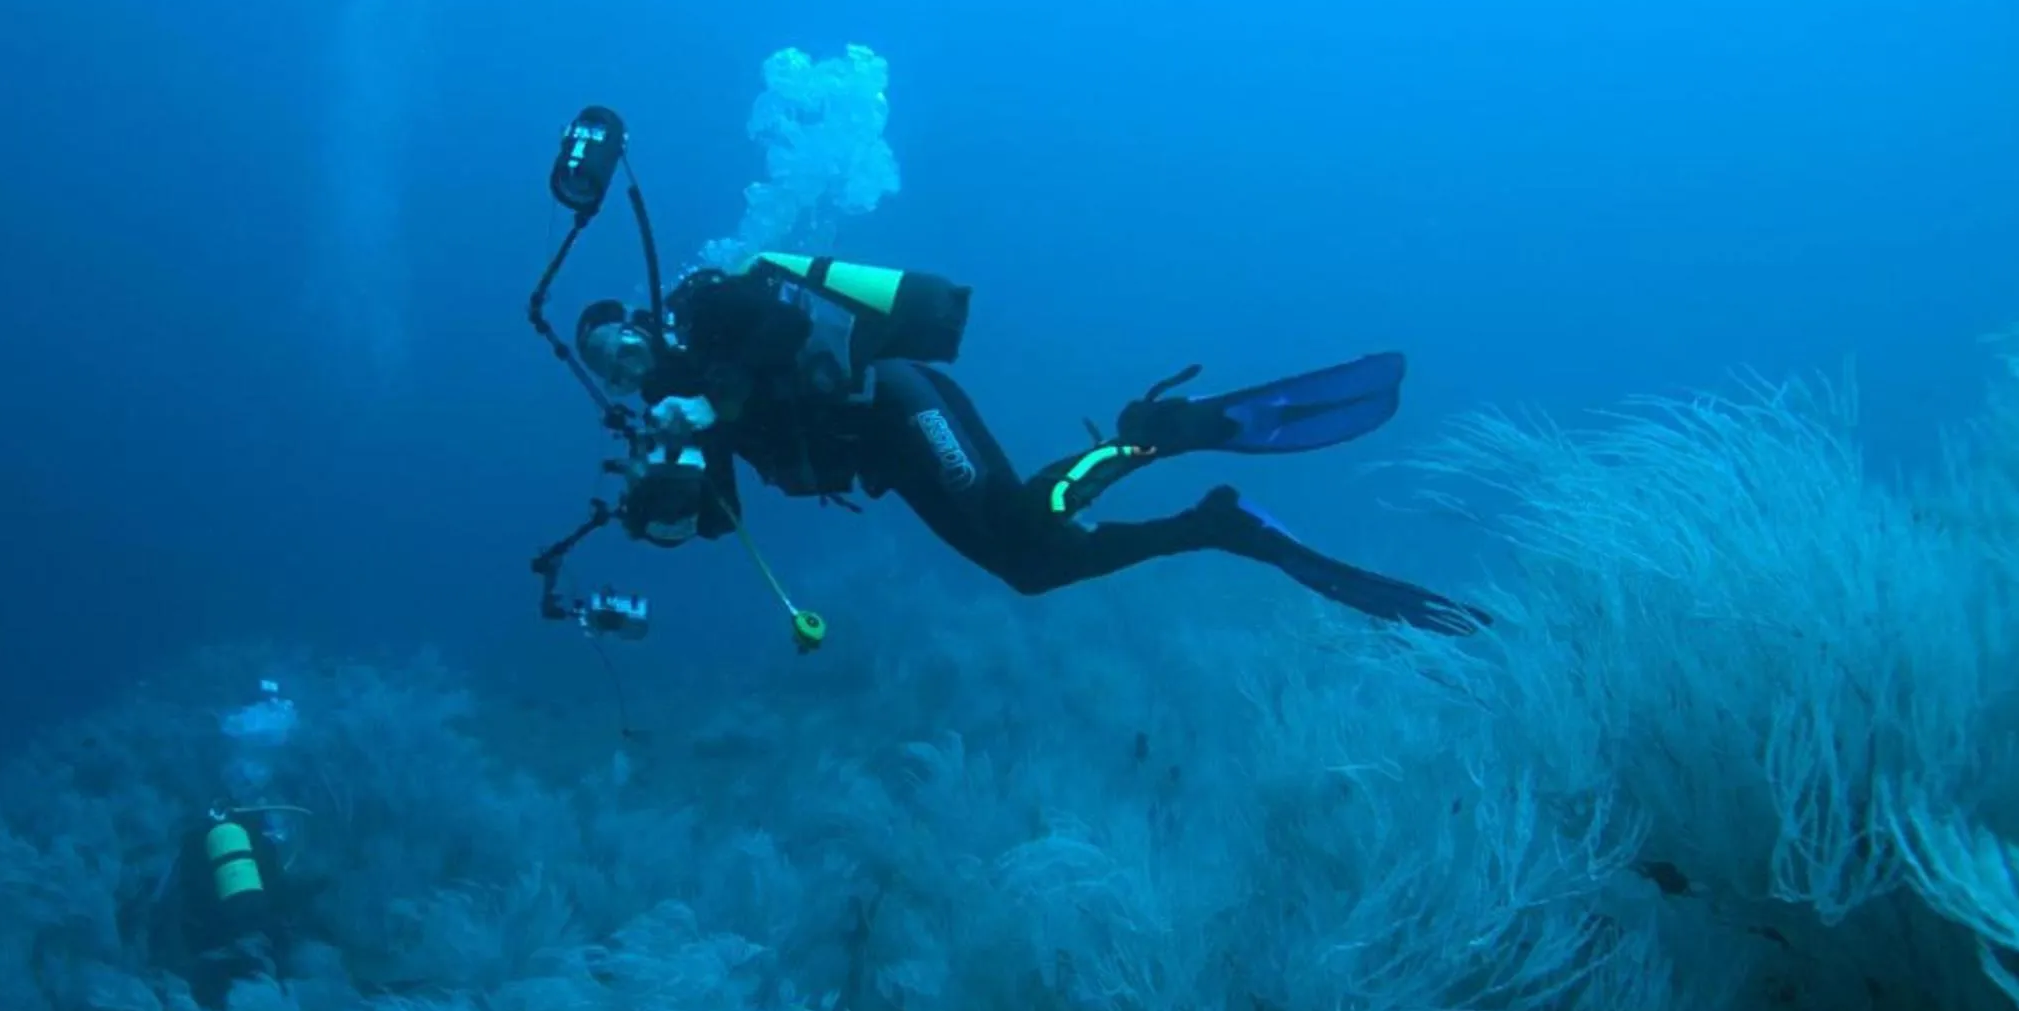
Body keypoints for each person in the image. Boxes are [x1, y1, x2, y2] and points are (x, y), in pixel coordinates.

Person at [573, 255, 1486, 634]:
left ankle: (1154, 436)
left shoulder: (710, 311)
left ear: (639, 323)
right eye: (606, 373)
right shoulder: (674, 405)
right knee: (1031, 569)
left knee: (1023, 518)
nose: (621, 371)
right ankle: (1215, 524)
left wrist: (714, 400)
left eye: (618, 349)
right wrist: (659, 498)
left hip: (899, 403)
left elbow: (778, 337)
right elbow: (720, 520)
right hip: (883, 459)